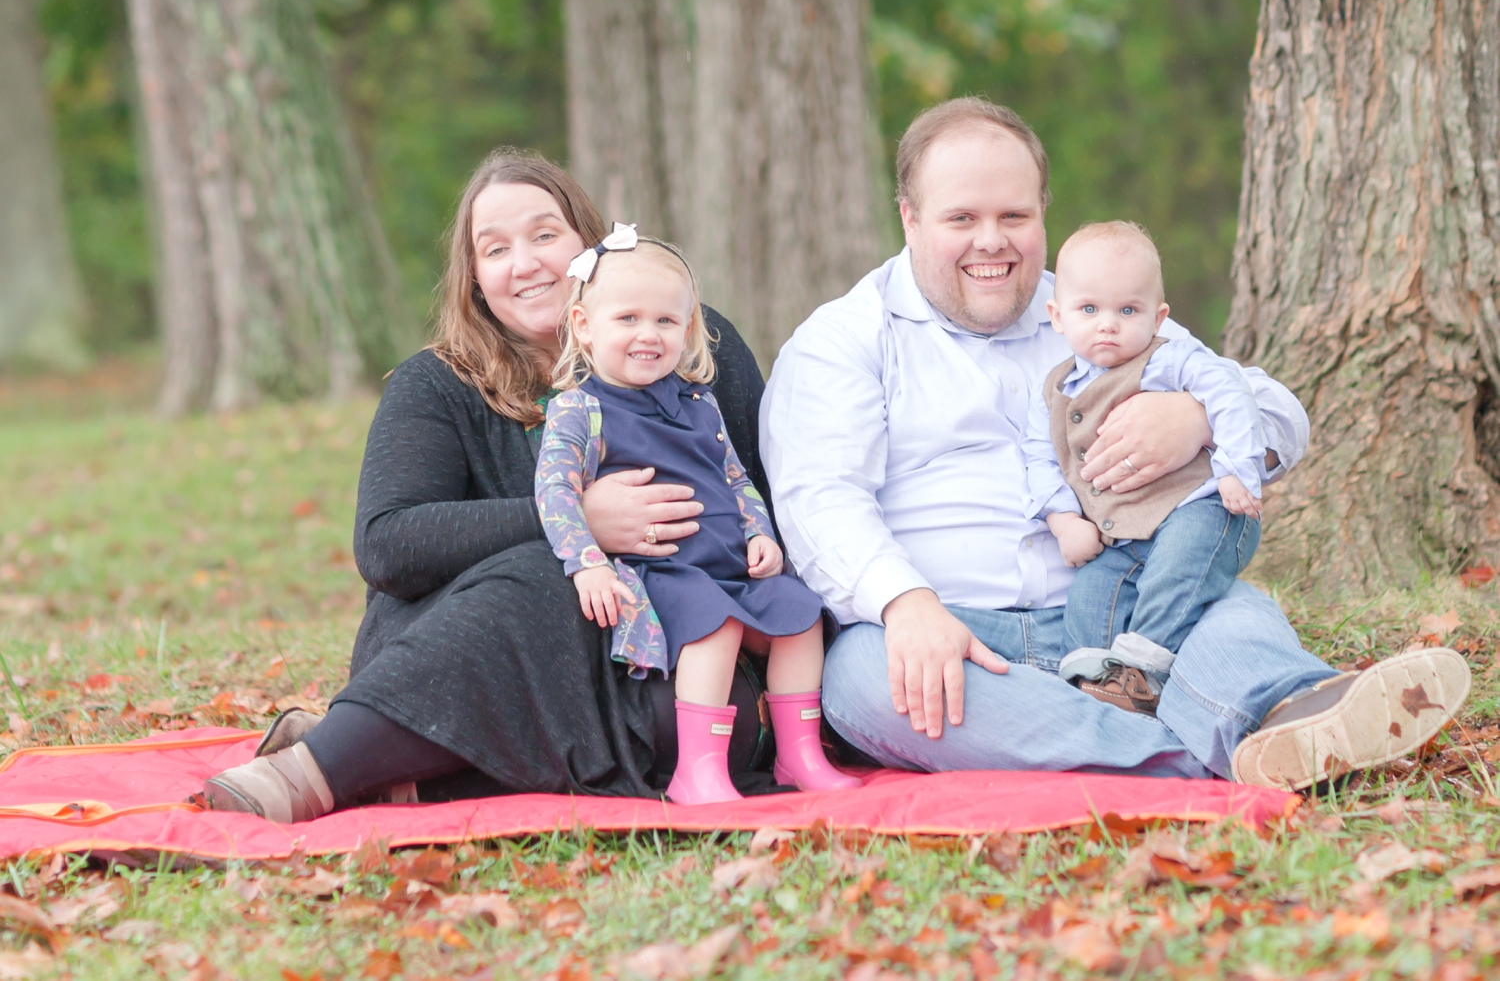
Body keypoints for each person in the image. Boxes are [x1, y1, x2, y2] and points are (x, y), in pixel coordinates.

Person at [762, 97, 1470, 792]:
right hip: (953, 626)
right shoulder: (844, 341)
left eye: (1014, 215)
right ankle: (1225, 751)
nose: (991, 241)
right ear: (910, 220)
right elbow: (819, 500)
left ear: (1043, 210)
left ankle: (1303, 708)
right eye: (962, 219)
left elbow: (1277, 411)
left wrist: (1198, 417)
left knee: (1229, 607)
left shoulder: (1091, 314)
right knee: (862, 675)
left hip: (1122, 606)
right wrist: (905, 603)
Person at [204, 151, 773, 822]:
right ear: (475, 279)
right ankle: (316, 770)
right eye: (495, 249)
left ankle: (388, 756)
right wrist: (571, 520)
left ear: (589, 245)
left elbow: (760, 495)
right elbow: (388, 544)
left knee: (710, 731)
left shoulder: (695, 345)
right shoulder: (437, 384)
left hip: (656, 651)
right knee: (542, 572)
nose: (524, 264)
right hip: (461, 640)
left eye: (544, 235)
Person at [535, 225, 855, 802]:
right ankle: (698, 770)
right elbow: (554, 493)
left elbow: (736, 479)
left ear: (687, 329)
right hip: (661, 574)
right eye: (627, 319)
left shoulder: (699, 402)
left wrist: (760, 533)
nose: (648, 335)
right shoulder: (580, 410)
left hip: (731, 566)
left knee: (800, 613)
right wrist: (587, 563)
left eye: (665, 321)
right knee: (717, 623)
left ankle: (799, 755)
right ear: (584, 326)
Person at [1024, 218, 1266, 714]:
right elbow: (1039, 457)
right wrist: (1063, 520)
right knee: (1091, 592)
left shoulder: (1166, 360)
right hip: (1119, 536)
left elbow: (1231, 390)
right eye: (1089, 309)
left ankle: (1142, 671)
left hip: (1196, 508)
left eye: (1127, 310)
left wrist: (1236, 468)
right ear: (1058, 315)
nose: (1108, 323)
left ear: (1158, 318)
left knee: (1178, 567)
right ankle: (1091, 681)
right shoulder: (1055, 389)